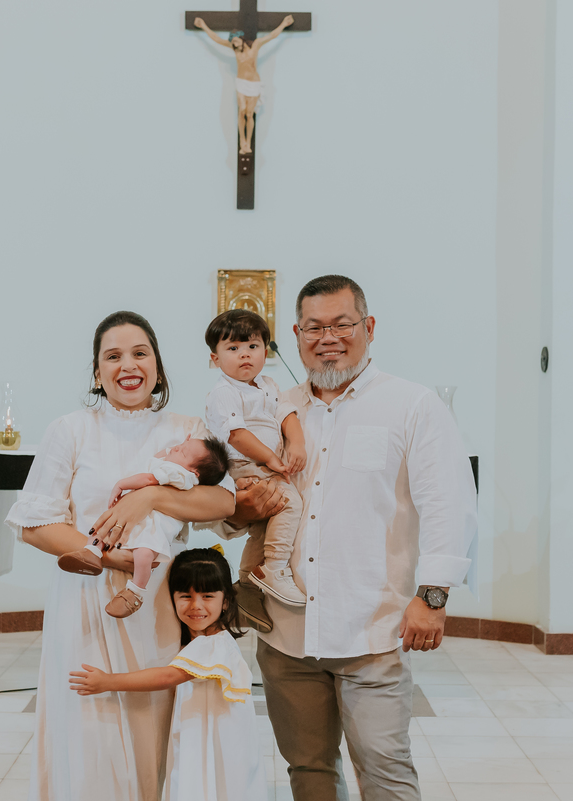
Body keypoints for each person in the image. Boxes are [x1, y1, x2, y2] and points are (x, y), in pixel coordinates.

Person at [226, 275, 479, 801]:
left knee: (385, 773)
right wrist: (238, 508)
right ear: (295, 334)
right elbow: (236, 497)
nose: (328, 337)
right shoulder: (273, 407)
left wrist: (433, 597)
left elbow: (448, 503)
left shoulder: (411, 404)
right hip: (286, 634)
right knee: (309, 773)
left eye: (342, 323)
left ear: (369, 327)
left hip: (373, 630)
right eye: (314, 327)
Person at [8, 311, 236, 801]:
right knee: (89, 725)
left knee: (153, 719)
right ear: (96, 372)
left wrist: (149, 498)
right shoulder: (71, 429)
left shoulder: (186, 428)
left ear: (157, 365)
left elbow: (223, 502)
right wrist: (111, 559)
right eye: (112, 356)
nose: (127, 365)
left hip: (158, 605)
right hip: (85, 598)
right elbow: (33, 524)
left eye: (140, 353)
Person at [69, 547, 265, 801]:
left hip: (218, 747)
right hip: (206, 740)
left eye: (207, 596)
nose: (196, 606)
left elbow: (167, 677)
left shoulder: (214, 645)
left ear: (225, 600)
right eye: (185, 595)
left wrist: (108, 681)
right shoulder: (199, 642)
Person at [203, 309, 306, 630]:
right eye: (232, 349)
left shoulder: (269, 384)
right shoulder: (224, 392)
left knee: (267, 521)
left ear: (266, 350)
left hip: (264, 462)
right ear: (215, 359)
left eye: (252, 346)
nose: (244, 355)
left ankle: (247, 585)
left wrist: (297, 444)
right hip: (243, 464)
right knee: (290, 503)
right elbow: (237, 434)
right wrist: (270, 460)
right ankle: (274, 567)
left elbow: (287, 414)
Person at [57, 435, 230, 618]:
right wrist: (183, 446)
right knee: (105, 527)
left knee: (144, 554)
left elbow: (148, 479)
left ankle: (135, 591)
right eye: (180, 445)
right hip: (139, 518)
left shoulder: (180, 475)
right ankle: (91, 553)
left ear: (195, 472)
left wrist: (121, 484)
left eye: (184, 452)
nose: (176, 448)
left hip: (154, 526)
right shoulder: (173, 465)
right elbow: (161, 455)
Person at [192, 14, 295, 154]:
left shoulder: (256, 45)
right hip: (241, 83)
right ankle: (243, 142)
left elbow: (271, 36)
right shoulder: (234, 49)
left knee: (249, 114)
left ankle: (248, 142)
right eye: (232, 42)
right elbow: (216, 39)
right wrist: (203, 26)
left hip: (254, 83)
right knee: (241, 111)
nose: (234, 44)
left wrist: (283, 24)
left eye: (235, 41)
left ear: (241, 38)